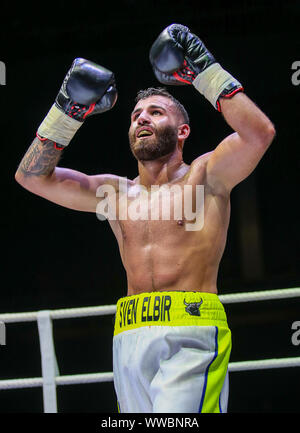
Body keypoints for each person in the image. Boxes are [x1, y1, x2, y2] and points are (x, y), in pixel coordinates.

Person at [15, 24, 275, 413]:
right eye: (136, 115)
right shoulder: (115, 193)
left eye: (156, 112)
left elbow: (259, 133)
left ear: (182, 130)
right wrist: (66, 113)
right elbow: (30, 177)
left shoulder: (207, 176)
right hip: (129, 334)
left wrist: (203, 69)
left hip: (191, 331)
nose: (142, 119)